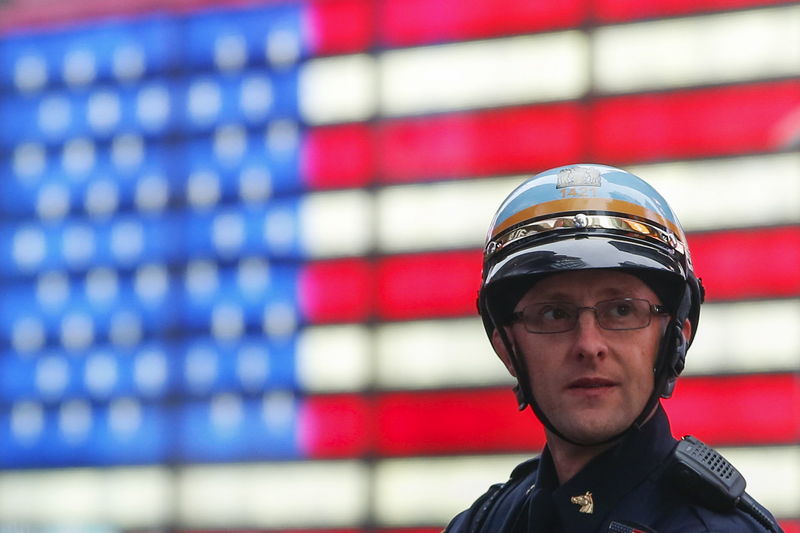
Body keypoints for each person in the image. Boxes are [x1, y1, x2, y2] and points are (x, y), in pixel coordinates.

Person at [445, 164, 783, 533]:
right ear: (507, 348)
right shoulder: (483, 523)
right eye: (554, 314)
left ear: (675, 339)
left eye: (622, 310)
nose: (589, 346)